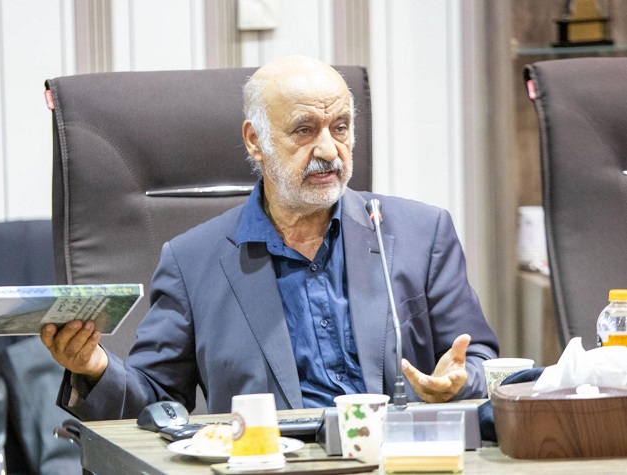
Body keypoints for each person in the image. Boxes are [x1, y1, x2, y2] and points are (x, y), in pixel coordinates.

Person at [41, 55, 499, 420]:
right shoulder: (192, 261)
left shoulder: (421, 233)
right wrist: (94, 368)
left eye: (340, 127)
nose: (329, 149)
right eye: (305, 130)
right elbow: (156, 404)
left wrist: (463, 380)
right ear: (255, 140)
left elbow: (477, 358)